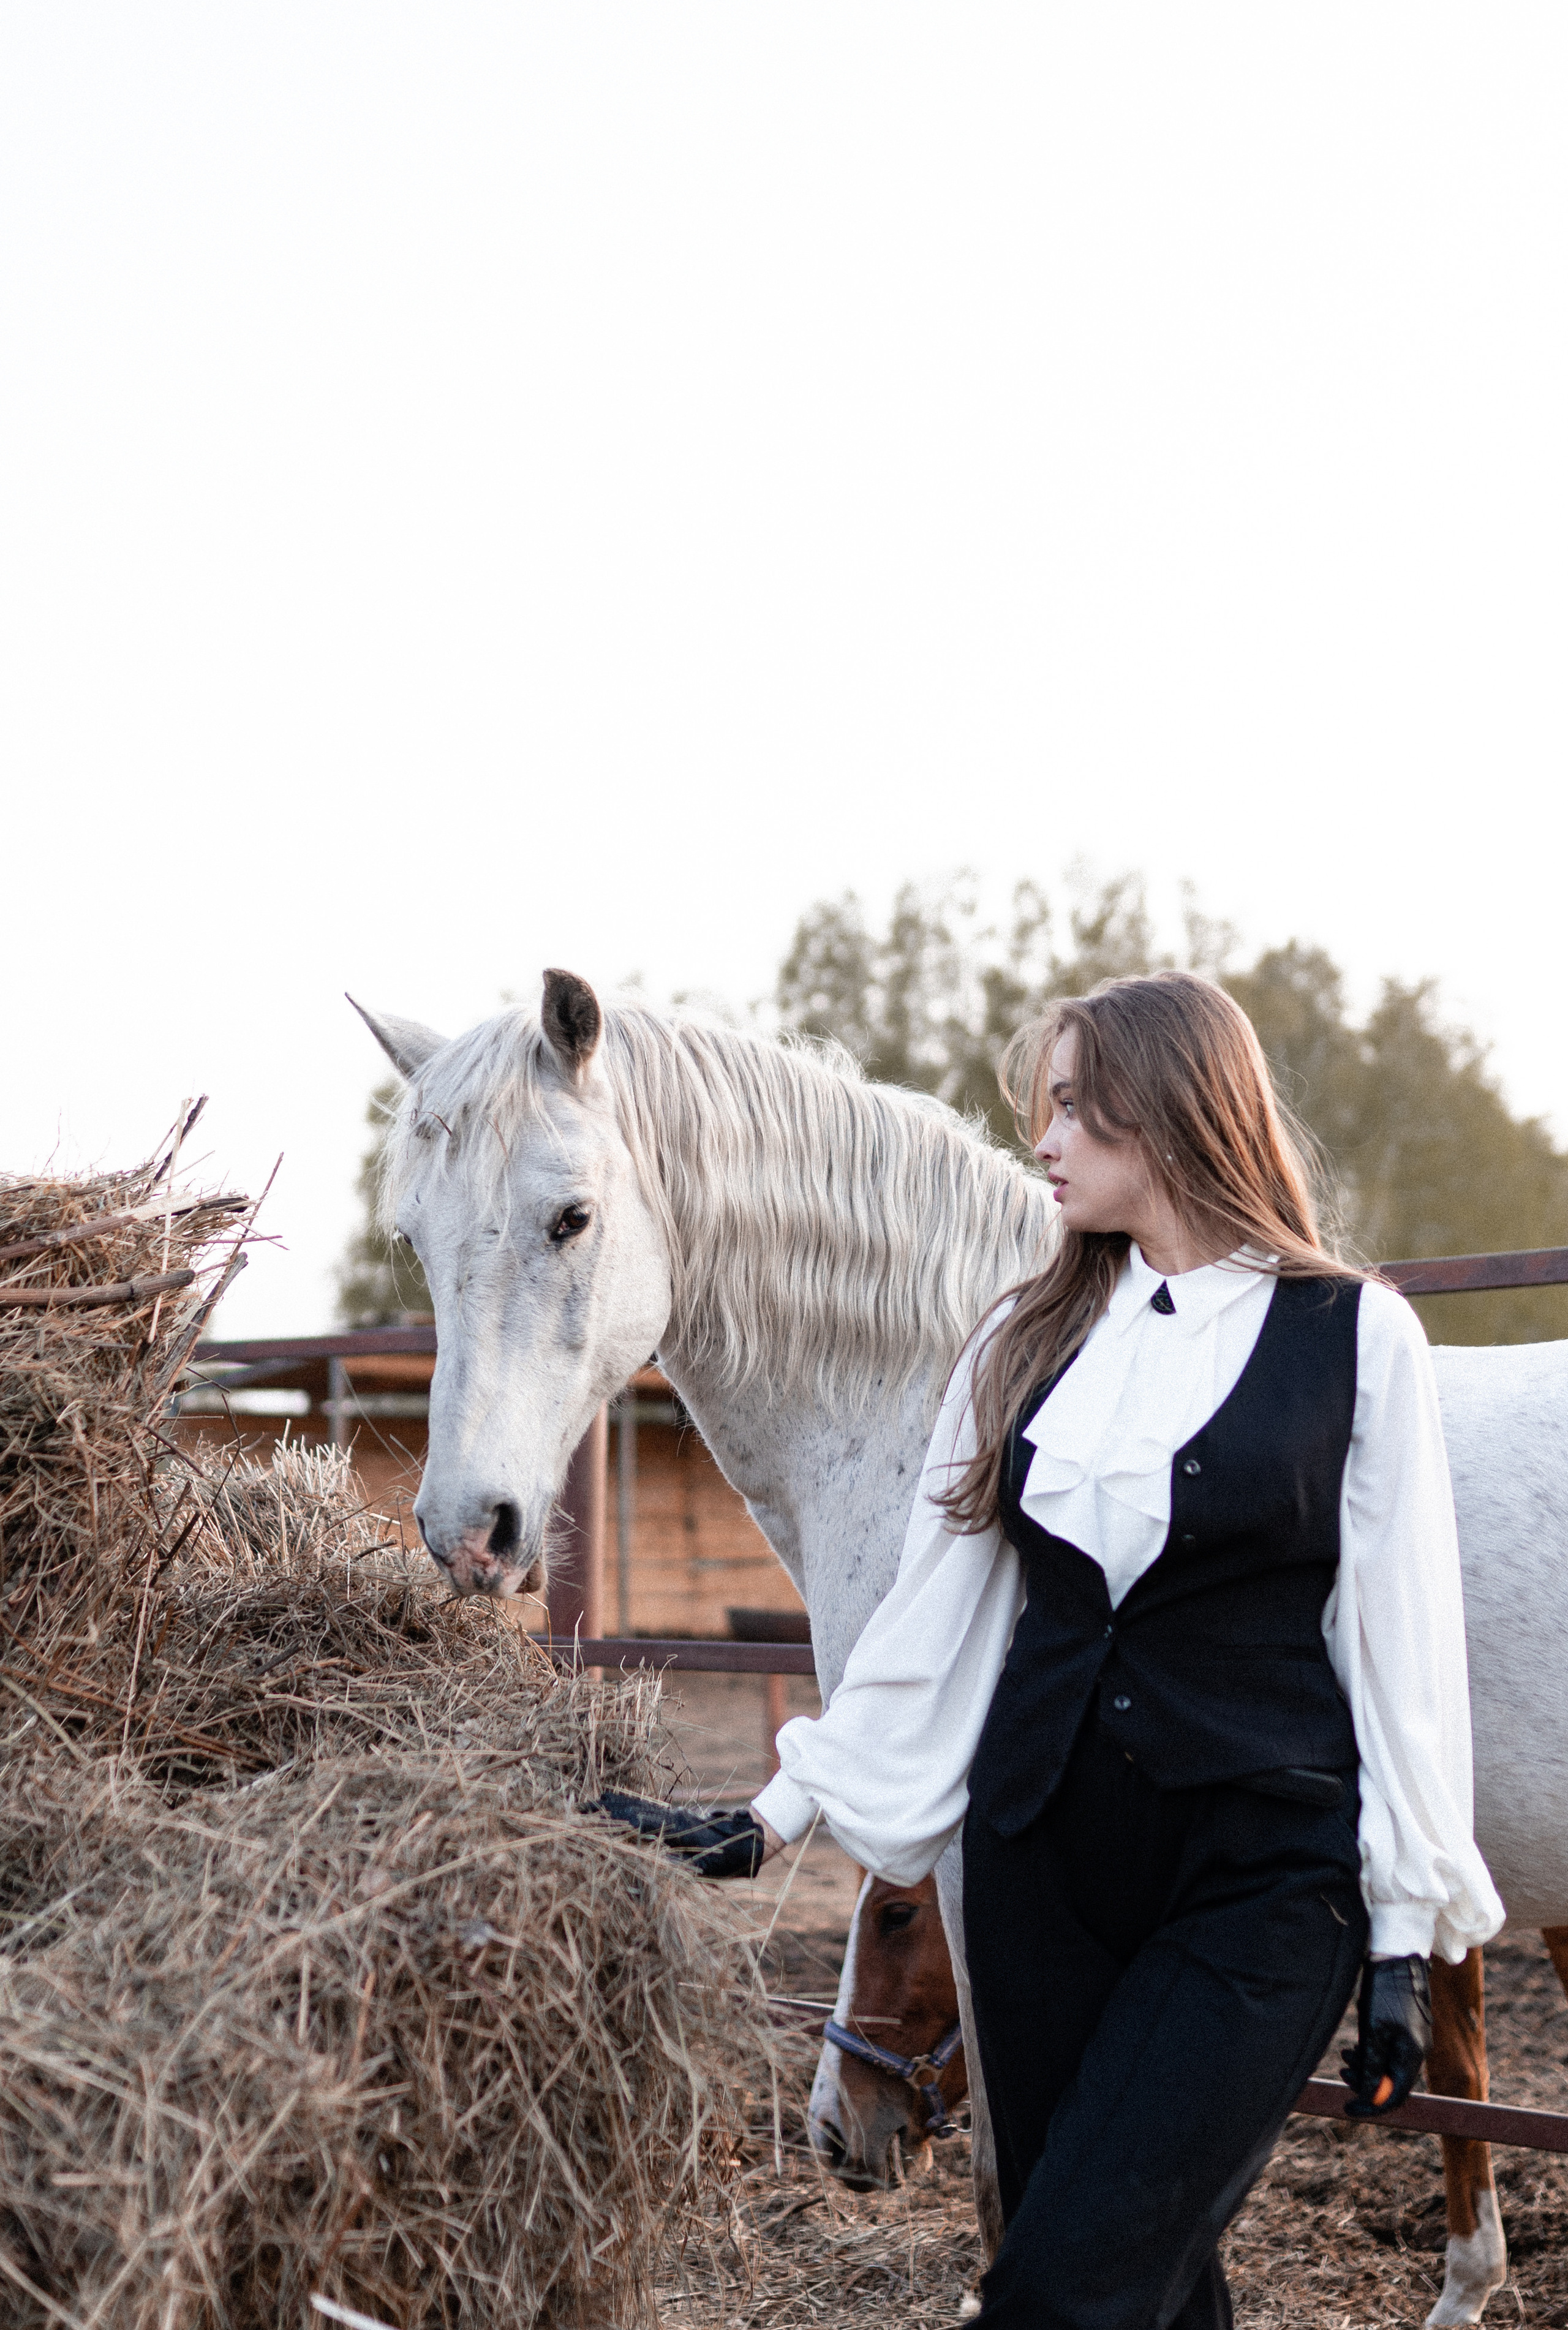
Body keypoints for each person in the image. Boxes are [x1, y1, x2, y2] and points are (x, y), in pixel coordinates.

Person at [602, 971, 1504, 2329]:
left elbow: (1399, 1646)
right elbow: (934, 1614)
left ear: (1178, 1110)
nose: (1044, 1142)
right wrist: (766, 1818)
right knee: (1140, 2278)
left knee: (1060, 2287)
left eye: (1078, 1108)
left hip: (1258, 1881)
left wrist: (1395, 1934)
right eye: (1048, 1109)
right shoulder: (1016, 1342)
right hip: (1041, 1873)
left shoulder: (1353, 1338)